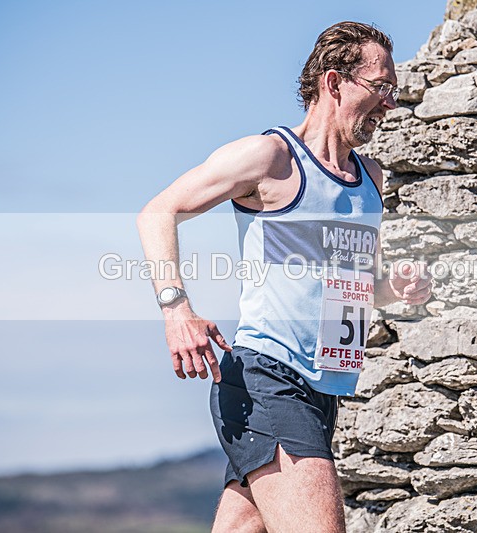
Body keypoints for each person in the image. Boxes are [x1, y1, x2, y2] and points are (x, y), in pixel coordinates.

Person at [137, 21, 432, 533]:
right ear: (334, 82)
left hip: (324, 389)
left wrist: (392, 288)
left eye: (393, 91)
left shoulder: (371, 180)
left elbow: (354, 282)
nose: (389, 104)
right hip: (267, 380)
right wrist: (176, 309)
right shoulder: (270, 158)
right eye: (380, 88)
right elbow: (158, 212)